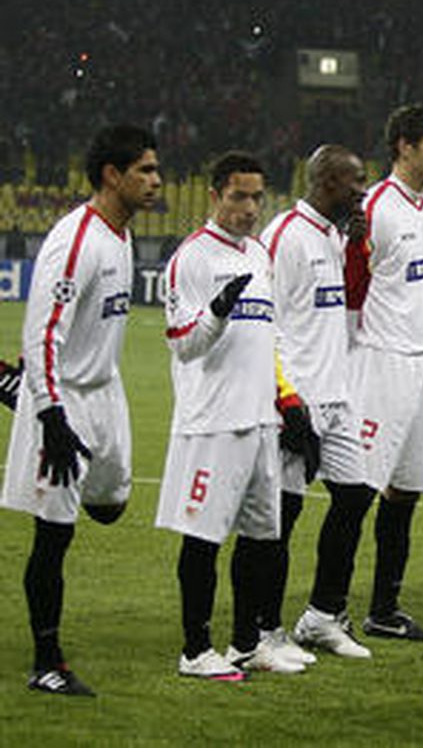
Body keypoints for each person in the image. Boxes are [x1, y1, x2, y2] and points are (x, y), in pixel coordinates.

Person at [2, 124, 161, 696]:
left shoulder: (120, 235)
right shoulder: (78, 241)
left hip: (104, 393)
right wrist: (49, 415)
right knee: (55, 535)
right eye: (144, 170)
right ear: (112, 175)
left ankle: (10, 388)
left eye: (156, 169)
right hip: (63, 399)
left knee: (113, 505)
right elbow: (43, 332)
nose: (157, 181)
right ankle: (47, 662)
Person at [157, 151, 319, 679]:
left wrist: (286, 403)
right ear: (215, 196)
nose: (250, 208)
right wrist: (218, 312)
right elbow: (182, 343)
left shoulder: (258, 254)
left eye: (256, 197)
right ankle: (194, 649)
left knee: (261, 538)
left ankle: (246, 644)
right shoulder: (192, 258)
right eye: (238, 197)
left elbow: (267, 342)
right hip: (212, 422)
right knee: (203, 538)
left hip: (260, 421)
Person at [345, 104, 423, 641]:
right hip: (380, 361)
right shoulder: (373, 208)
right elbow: (351, 293)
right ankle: (328, 610)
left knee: (406, 492)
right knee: (358, 491)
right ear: (404, 147)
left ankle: (384, 609)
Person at [262, 145, 367, 661]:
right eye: (356, 182)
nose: (363, 192)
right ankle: (263, 630)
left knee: (355, 495)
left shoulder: (333, 235)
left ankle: (322, 616)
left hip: (337, 396)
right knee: (282, 515)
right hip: (295, 398)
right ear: (326, 182)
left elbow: (343, 315)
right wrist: (285, 399)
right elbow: (265, 325)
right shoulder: (285, 236)